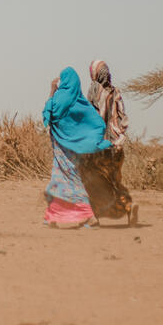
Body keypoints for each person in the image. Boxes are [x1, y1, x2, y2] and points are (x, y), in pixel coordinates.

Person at [42, 66, 111, 228]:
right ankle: (54, 216)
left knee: (65, 180)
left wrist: (52, 90)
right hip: (75, 150)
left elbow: (47, 114)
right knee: (65, 179)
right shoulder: (79, 101)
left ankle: (87, 215)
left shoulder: (58, 98)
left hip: (60, 149)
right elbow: (96, 123)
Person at [83, 59, 138, 226]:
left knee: (92, 179)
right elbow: (123, 117)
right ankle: (129, 207)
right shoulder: (116, 92)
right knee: (114, 180)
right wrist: (119, 137)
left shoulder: (94, 89)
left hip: (99, 145)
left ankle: (94, 217)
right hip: (117, 144)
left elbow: (90, 116)